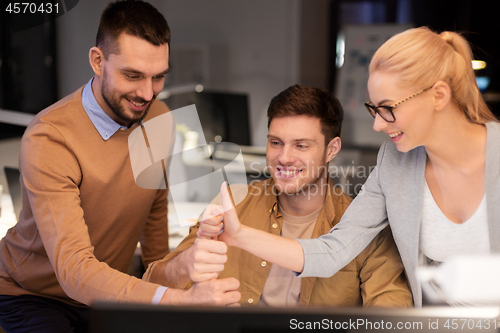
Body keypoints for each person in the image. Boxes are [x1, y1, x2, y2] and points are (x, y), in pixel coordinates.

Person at [198, 27, 500, 307]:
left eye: (388, 108)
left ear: (438, 96)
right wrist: (239, 236)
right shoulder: (395, 162)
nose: (378, 124)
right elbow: (334, 250)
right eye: (374, 109)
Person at [0, 1, 239, 332]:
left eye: (158, 77)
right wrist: (178, 301)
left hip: (106, 289)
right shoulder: (51, 137)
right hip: (33, 294)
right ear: (98, 61)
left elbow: (154, 215)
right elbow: (74, 271)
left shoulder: (159, 118)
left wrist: (167, 296)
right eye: (132, 75)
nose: (146, 93)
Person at [144, 85, 412, 307]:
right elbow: (152, 284)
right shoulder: (235, 202)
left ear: (332, 149)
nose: (284, 157)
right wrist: (187, 264)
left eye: (301, 145)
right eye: (276, 143)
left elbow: (391, 314)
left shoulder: (363, 225)